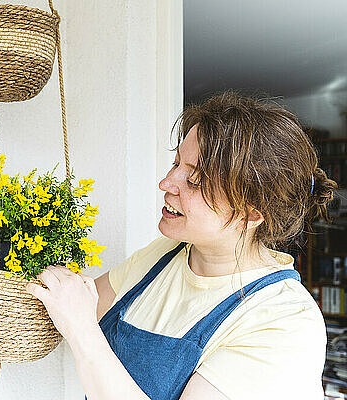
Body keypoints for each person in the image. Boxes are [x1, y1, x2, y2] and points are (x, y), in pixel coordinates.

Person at [25, 91, 338, 399]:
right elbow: (75, 304)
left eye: (195, 181)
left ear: (252, 212)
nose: (166, 183)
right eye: (176, 164)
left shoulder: (283, 322)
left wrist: (82, 332)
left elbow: (80, 320)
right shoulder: (163, 255)